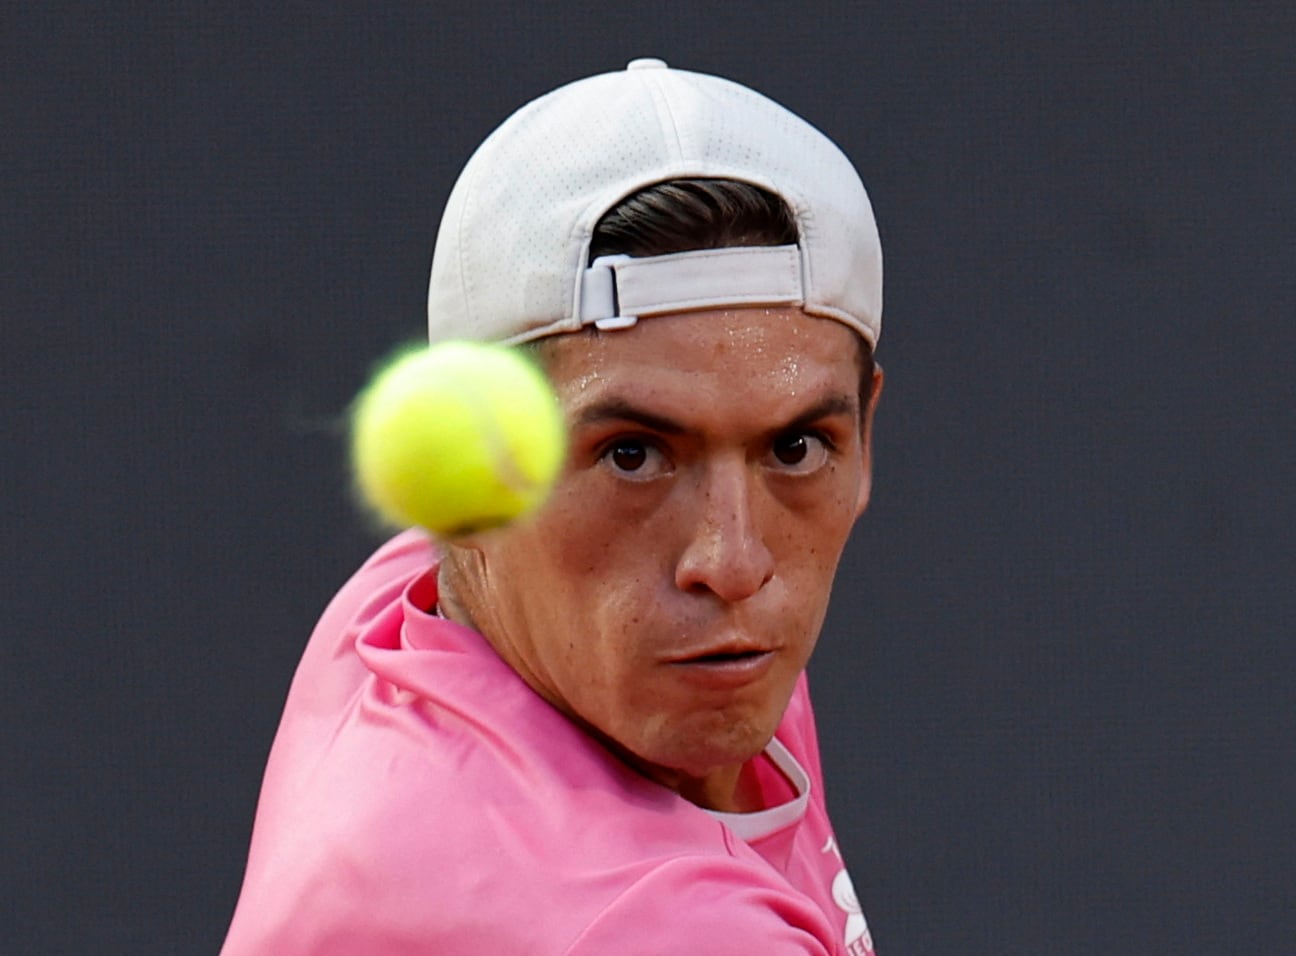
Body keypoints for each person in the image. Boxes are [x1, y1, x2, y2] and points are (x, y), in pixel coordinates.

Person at [223, 58, 884, 955]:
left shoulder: (424, 612)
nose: (732, 562)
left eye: (795, 449)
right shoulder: (653, 932)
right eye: (633, 455)